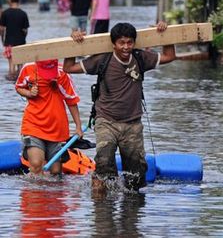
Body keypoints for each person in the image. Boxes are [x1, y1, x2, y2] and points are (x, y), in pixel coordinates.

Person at [63, 21, 176, 191]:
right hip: (106, 121)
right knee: (104, 164)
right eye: (121, 43)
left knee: (136, 175)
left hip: (132, 124)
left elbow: (169, 56)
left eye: (129, 42)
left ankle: (131, 212)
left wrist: (165, 35)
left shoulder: (140, 58)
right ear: (113, 44)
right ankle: (102, 207)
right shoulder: (103, 60)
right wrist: (73, 44)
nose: (125, 47)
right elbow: (68, 67)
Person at [15, 59, 83, 175]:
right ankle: (34, 191)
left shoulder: (63, 73)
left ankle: (50, 192)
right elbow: (19, 87)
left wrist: (78, 126)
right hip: (33, 124)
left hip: (56, 128)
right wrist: (29, 93)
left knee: (56, 171)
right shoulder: (28, 68)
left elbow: (71, 100)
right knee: (36, 164)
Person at [0, 0, 29, 81]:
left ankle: (10, 79)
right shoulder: (23, 14)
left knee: (11, 68)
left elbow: (2, 29)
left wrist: (2, 39)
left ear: (10, 0)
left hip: (9, 42)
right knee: (21, 68)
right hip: (21, 42)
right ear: (19, 0)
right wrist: (23, 38)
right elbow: (25, 30)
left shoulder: (5, 13)